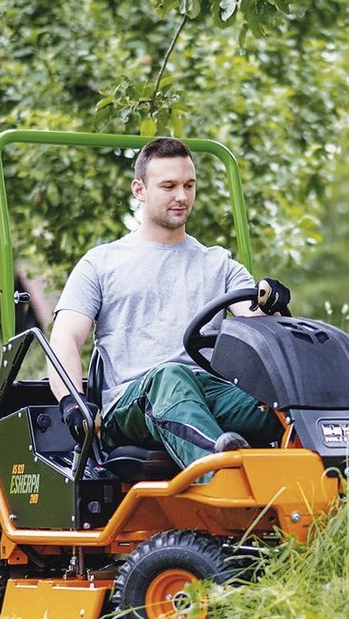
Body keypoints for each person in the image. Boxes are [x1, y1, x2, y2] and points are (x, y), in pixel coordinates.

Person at [46, 137, 290, 469]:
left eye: (189, 185)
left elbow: (255, 323)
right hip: (132, 405)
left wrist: (271, 303)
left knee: (284, 403)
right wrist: (72, 404)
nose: (182, 196)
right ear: (139, 190)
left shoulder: (219, 264)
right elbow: (64, 338)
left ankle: (338, 484)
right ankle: (220, 470)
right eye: (169, 186)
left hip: (210, 393)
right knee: (171, 376)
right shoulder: (101, 263)